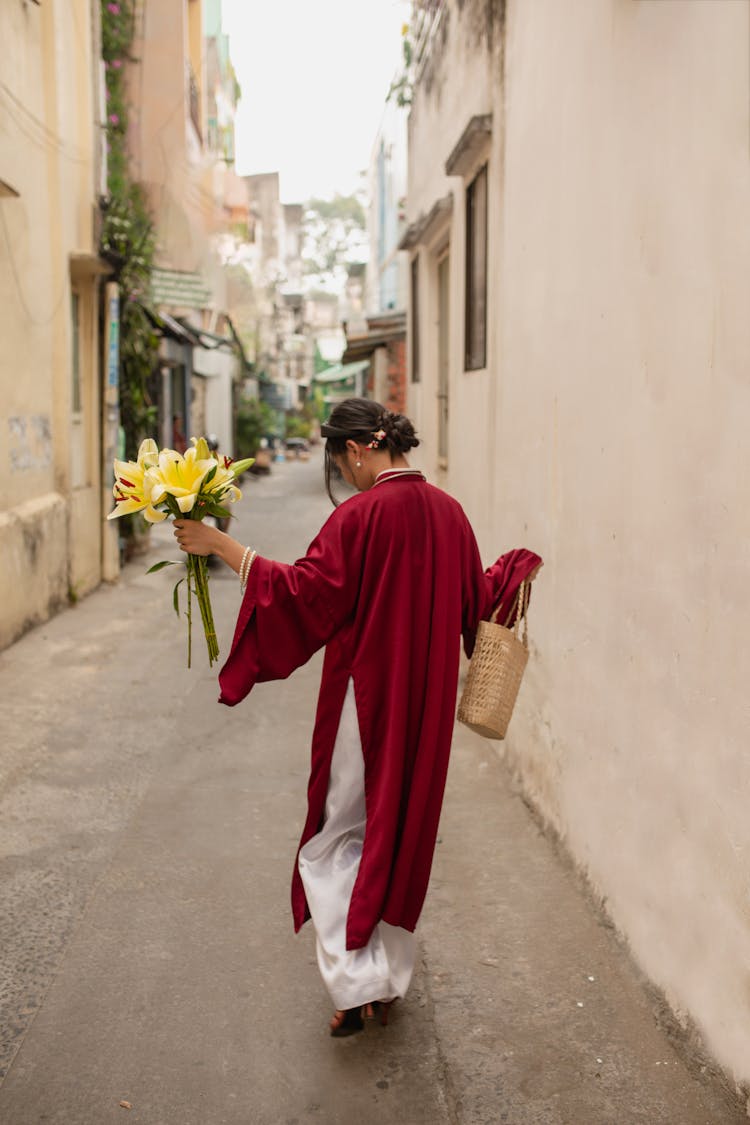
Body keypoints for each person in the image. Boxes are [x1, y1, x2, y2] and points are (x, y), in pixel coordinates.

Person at [173, 398, 542, 1037]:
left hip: (364, 704)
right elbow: (476, 605)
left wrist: (221, 545)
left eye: (343, 464)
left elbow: (302, 594)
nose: (346, 477)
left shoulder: (360, 517)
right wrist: (509, 574)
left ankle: (353, 983)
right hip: (421, 709)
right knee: (396, 832)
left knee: (336, 833)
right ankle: (382, 981)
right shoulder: (451, 514)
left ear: (359, 449)